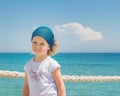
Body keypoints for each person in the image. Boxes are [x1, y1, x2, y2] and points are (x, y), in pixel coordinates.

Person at [22, 26, 66, 96]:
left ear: (49, 46)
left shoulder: (52, 64)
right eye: (34, 42)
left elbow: (60, 86)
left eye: (42, 44)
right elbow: (26, 86)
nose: (37, 46)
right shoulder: (28, 65)